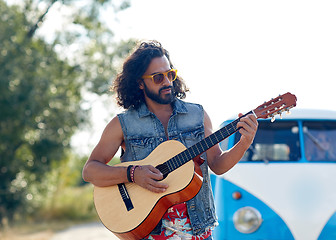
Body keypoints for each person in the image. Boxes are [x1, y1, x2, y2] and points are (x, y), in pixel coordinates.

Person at [82, 40, 258, 240]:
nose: (167, 82)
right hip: (148, 231)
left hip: (198, 230)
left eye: (170, 74)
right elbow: (90, 171)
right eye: (158, 77)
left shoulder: (197, 115)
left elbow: (217, 164)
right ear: (140, 83)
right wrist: (133, 173)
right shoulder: (123, 124)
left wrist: (244, 143)